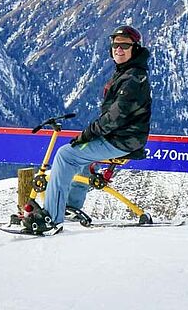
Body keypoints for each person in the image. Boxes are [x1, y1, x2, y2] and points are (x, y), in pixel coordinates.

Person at [24, 25, 153, 234]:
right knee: (80, 152)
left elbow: (114, 118)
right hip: (123, 137)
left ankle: (51, 218)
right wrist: (87, 137)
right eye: (115, 45)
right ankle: (71, 205)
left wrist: (87, 134)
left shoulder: (132, 79)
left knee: (66, 155)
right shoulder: (129, 72)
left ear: (135, 49)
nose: (118, 49)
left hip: (122, 139)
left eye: (125, 46)